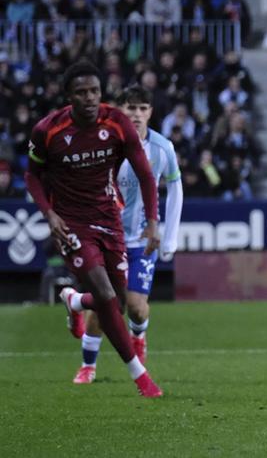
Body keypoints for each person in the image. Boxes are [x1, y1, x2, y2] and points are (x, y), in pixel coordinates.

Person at [25, 61, 163, 397]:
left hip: (109, 218)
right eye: (81, 92)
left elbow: (145, 174)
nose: (89, 98)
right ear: (68, 96)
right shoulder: (48, 130)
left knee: (112, 304)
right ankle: (140, 377)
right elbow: (32, 176)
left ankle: (74, 301)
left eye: (94, 91)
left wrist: (153, 223)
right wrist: (50, 215)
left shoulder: (116, 122)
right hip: (71, 223)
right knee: (105, 295)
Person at [71, 86, 183, 385]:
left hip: (141, 239)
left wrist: (169, 236)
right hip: (105, 237)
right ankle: (88, 365)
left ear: (150, 112)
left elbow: (175, 188)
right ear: (120, 110)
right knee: (106, 303)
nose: (136, 114)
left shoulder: (162, 148)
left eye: (142, 108)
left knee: (135, 305)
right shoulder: (103, 143)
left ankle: (138, 334)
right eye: (130, 108)